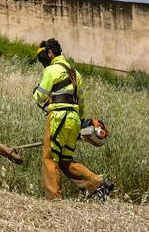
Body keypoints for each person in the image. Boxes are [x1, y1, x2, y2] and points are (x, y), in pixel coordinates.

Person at [31, 38, 114, 201]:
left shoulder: (51, 70)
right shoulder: (76, 74)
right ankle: (97, 184)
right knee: (65, 159)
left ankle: (54, 200)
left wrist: (36, 93)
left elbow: (39, 97)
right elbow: (80, 103)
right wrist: (80, 124)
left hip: (58, 118)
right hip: (74, 121)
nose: (44, 62)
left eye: (44, 57)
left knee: (49, 158)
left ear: (50, 53)